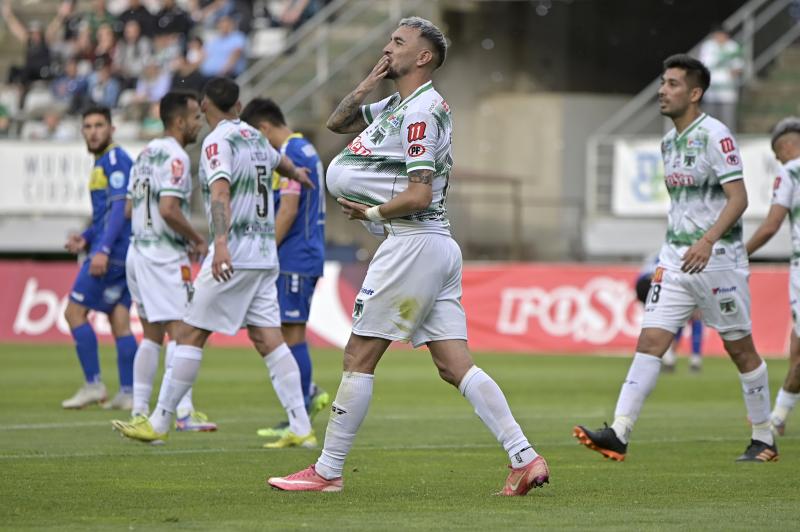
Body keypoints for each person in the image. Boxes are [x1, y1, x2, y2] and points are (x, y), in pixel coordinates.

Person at [267, 17, 549, 495]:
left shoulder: (422, 112)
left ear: (423, 58)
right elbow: (337, 123)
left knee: (359, 354)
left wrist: (372, 211)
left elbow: (419, 193)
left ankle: (328, 471)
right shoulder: (398, 106)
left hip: (412, 240)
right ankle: (524, 458)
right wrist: (369, 82)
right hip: (429, 244)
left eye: (398, 42)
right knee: (453, 365)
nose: (387, 47)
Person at [574, 54, 776, 463]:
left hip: (718, 260)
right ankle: (620, 432)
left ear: (695, 93)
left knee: (741, 350)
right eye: (663, 83)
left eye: (673, 84)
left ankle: (764, 438)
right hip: (676, 260)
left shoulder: (715, 135)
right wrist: (682, 245)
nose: (663, 91)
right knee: (650, 341)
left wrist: (707, 240)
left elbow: (739, 199)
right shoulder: (669, 142)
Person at [111, 77, 315, 446]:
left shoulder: (216, 141)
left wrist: (220, 244)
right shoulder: (254, 136)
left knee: (188, 333)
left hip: (234, 253)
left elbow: (220, 190)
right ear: (238, 104)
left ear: (205, 105)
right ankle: (301, 427)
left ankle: (159, 421)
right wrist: (298, 173)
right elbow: (279, 160)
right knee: (269, 338)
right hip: (264, 253)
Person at [124, 91, 217, 432]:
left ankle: (138, 410)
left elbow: (129, 208)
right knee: (183, 331)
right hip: (162, 256)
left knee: (151, 334)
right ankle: (182, 412)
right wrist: (195, 238)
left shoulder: (145, 154)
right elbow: (168, 208)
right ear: (179, 121)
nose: (199, 124)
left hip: (137, 251)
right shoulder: (176, 158)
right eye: (195, 118)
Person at [240, 98, 331, 441]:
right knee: (285, 332)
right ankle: (303, 405)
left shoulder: (293, 154)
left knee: (290, 334)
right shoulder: (304, 149)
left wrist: (266, 250)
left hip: (296, 256)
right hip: (300, 254)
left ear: (263, 129)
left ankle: (301, 415)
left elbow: (288, 211)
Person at [62, 105, 137, 410]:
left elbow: (121, 209)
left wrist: (101, 249)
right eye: (88, 126)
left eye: (99, 125)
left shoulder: (116, 160)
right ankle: (129, 392)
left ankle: (93, 384)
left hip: (114, 253)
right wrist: (87, 237)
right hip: (121, 250)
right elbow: (106, 215)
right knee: (119, 319)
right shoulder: (103, 163)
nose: (93, 132)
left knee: (73, 313)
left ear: (111, 129)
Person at [745, 116, 800, 437]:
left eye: (778, 156)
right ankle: (778, 416)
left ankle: (775, 417)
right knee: (797, 347)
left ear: (785, 147)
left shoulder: (790, 171)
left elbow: (770, 225)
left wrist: (739, 253)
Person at [635, 254, 704, 372]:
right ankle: (689, 358)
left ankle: (669, 357)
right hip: (663, 286)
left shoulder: (661, 257)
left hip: (650, 286)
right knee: (685, 320)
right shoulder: (677, 257)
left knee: (669, 323)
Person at [698, 25, 744, 132]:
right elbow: (703, 65)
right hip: (711, 90)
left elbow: (738, 67)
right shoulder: (708, 46)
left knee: (727, 119)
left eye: (722, 35)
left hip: (728, 90)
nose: (720, 37)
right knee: (709, 119)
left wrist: (734, 72)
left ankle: (728, 141)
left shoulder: (733, 47)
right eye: (717, 35)